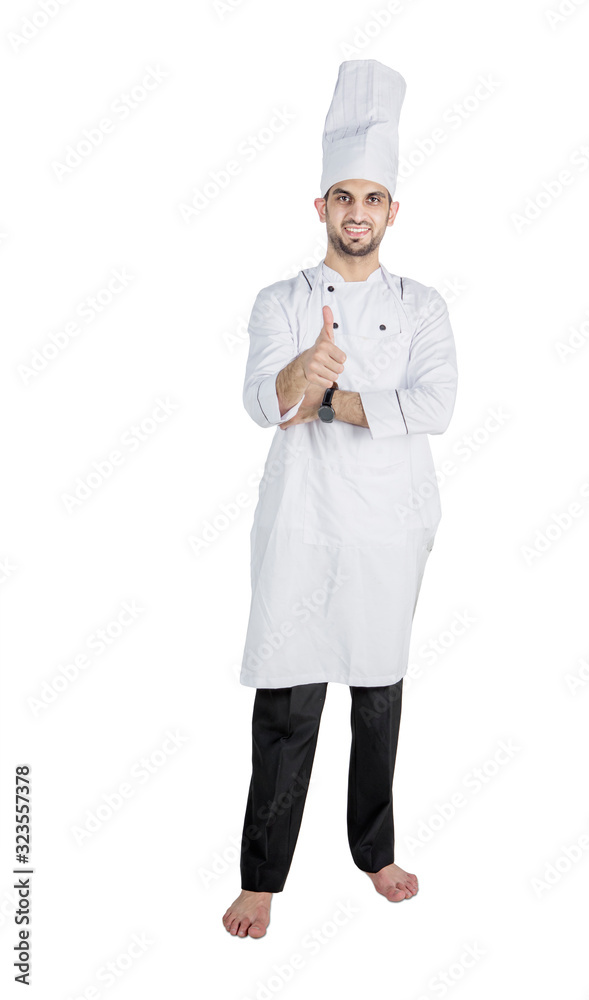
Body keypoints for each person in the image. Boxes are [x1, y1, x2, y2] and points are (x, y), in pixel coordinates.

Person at [223, 59, 458, 939]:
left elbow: (435, 406)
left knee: (377, 694)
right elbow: (262, 402)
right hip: (303, 525)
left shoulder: (423, 306)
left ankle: (374, 853)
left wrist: (333, 400)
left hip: (389, 528)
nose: (356, 213)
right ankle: (261, 879)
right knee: (287, 703)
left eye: (372, 199)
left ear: (391, 212)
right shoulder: (281, 301)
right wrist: (303, 370)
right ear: (318, 208)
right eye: (341, 198)